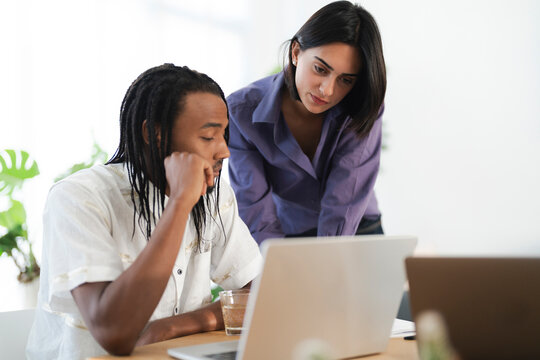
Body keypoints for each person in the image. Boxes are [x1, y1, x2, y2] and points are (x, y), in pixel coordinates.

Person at [26, 64, 262, 359]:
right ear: (154, 134)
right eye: (208, 137)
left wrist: (173, 326)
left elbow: (261, 295)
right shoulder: (79, 197)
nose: (224, 151)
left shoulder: (215, 196)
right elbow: (115, 333)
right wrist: (179, 203)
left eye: (223, 135)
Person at [227, 1, 387, 244]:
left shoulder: (362, 107)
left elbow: (343, 202)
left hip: (356, 229)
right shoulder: (242, 113)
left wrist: (325, 264)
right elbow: (256, 209)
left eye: (345, 80)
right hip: (290, 235)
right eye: (320, 69)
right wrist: (274, 265)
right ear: (295, 52)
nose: (328, 90)